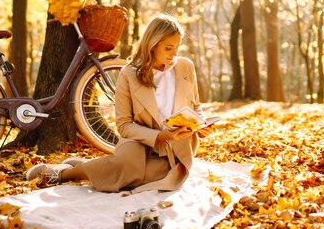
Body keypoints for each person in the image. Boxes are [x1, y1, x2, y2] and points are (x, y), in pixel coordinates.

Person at [25, 13, 213, 193]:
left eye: (177, 47)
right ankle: (65, 173)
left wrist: (201, 124)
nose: (174, 53)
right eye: (168, 48)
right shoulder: (129, 74)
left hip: (177, 146)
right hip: (139, 142)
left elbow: (196, 106)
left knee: (160, 175)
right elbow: (124, 126)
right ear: (152, 45)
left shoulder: (185, 67)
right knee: (128, 168)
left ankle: (84, 166)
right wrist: (162, 136)